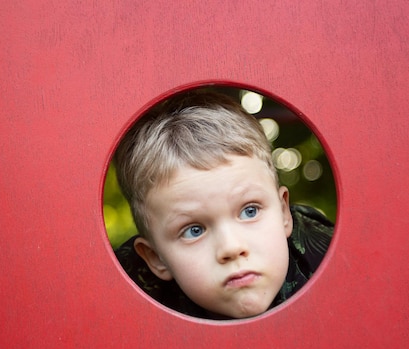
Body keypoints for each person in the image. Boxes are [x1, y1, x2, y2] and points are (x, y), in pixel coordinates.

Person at [113, 90, 334, 319]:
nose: (231, 247)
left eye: (250, 211)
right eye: (194, 230)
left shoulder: (325, 256)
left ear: (283, 213)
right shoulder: (127, 309)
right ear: (156, 257)